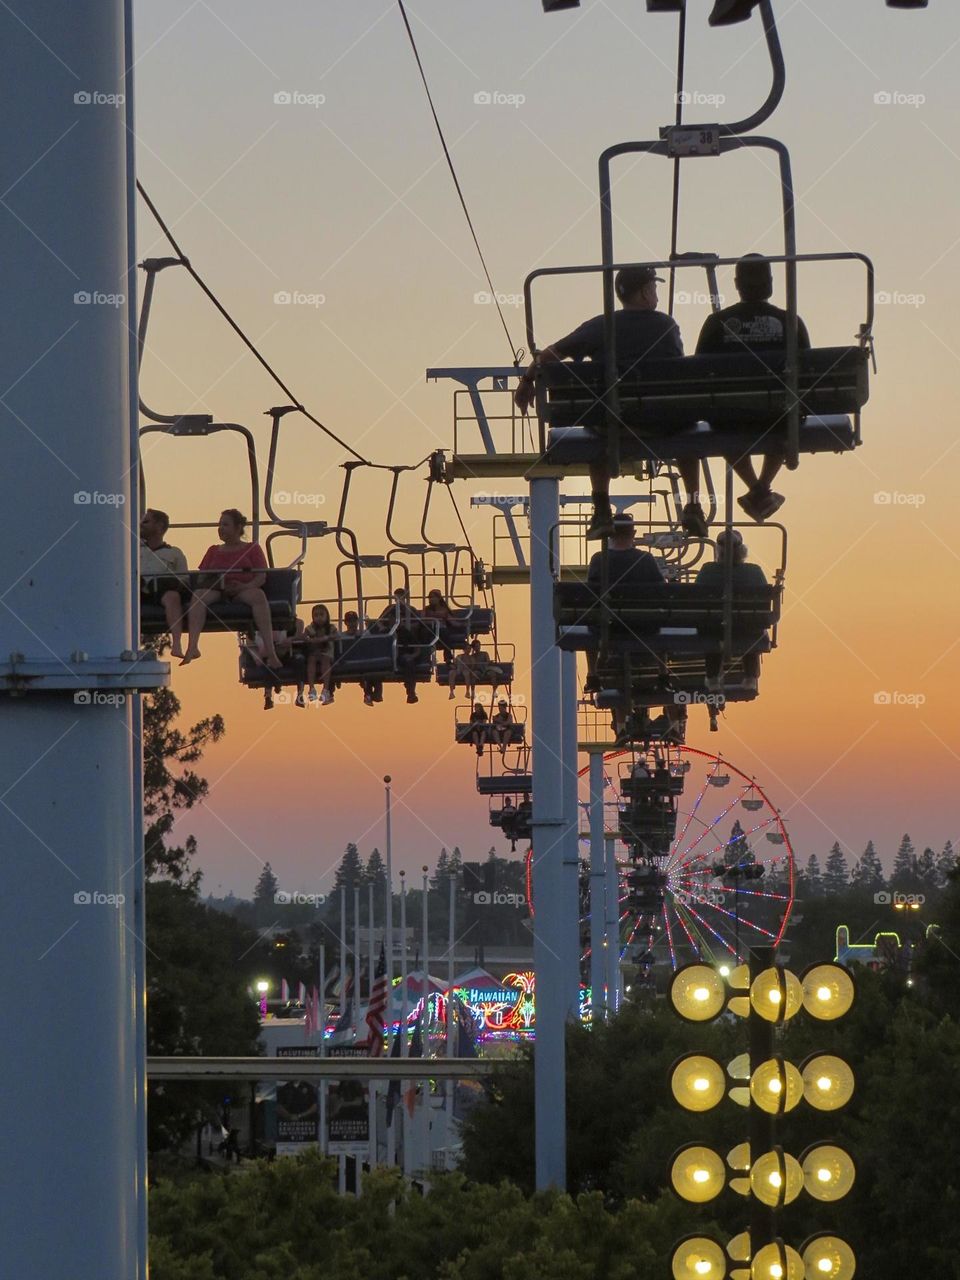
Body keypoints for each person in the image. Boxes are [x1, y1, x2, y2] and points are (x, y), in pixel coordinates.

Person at [514, 265, 706, 539]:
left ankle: (602, 510)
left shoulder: (600, 325)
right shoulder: (666, 325)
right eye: (653, 288)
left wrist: (527, 381)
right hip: (665, 424)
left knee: (598, 423)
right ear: (643, 293)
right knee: (689, 431)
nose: (655, 294)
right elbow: (674, 368)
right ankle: (693, 505)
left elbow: (548, 357)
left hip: (615, 424)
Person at [695, 254, 812, 522]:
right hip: (779, 415)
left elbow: (700, 374)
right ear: (770, 283)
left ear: (737, 284)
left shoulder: (717, 323)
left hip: (728, 416)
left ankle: (757, 488)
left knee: (724, 416)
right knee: (787, 407)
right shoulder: (790, 321)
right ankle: (762, 487)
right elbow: (807, 373)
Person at [181, 509, 281, 666]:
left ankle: (269, 649)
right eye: (219, 525)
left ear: (238, 527)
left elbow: (261, 576)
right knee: (198, 596)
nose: (220, 528)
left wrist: (244, 586)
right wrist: (218, 583)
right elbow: (203, 576)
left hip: (243, 589)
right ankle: (193, 646)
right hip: (217, 589)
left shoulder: (252, 549)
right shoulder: (213, 551)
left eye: (225, 524)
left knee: (258, 596)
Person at [584, 514, 665, 694]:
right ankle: (663, 673)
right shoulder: (646, 559)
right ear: (633, 533)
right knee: (660, 622)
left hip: (606, 628)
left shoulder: (598, 559)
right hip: (643, 628)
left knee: (590, 619)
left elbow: (590, 594)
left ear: (609, 533)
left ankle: (592, 673)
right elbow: (662, 593)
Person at [694, 527, 769, 693]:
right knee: (752, 622)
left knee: (712, 623)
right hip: (748, 628)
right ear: (742, 550)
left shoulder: (708, 570)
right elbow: (764, 601)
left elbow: (695, 600)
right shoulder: (754, 571)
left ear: (718, 551)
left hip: (712, 628)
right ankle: (751, 675)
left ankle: (712, 676)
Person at [139, 508, 189, 657]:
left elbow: (184, 580)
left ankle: (177, 644)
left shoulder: (174, 553)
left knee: (172, 597)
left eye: (146, 522)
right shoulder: (133, 550)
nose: (141, 525)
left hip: (161, 591)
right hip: (138, 590)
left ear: (160, 526)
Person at [300, 603, 337, 706]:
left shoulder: (331, 628)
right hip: (315, 653)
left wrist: (326, 638)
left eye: (321, 615)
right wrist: (309, 639)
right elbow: (303, 636)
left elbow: (336, 636)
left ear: (327, 616)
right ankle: (312, 688)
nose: (319, 618)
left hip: (327, 653)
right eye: (316, 615)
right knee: (311, 660)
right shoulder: (310, 628)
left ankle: (325, 689)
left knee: (325, 660)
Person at [448, 638, 492, 702]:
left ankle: (468, 691)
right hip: (459, 670)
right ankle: (451, 692)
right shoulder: (459, 656)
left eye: (469, 649)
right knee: (451, 673)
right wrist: (453, 666)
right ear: (464, 649)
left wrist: (469, 667)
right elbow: (455, 664)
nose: (468, 650)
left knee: (467, 673)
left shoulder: (472, 658)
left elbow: (473, 666)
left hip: (466, 670)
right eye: (467, 649)